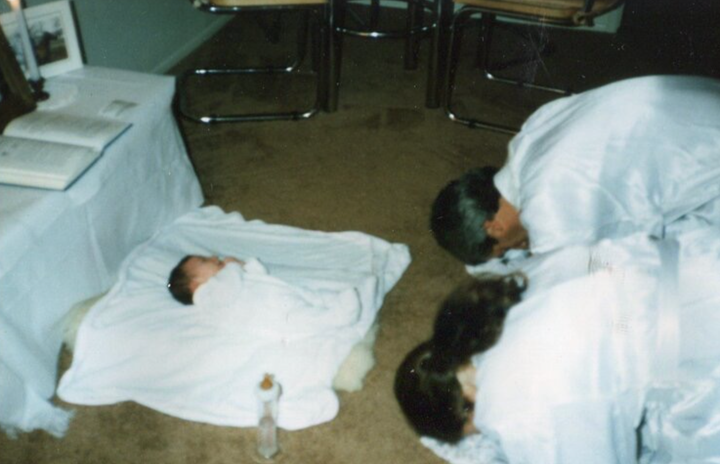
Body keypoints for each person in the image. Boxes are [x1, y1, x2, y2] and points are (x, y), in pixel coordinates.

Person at [396, 229, 720, 463]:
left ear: (464, 406)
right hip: (697, 256)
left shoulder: (515, 407)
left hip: (702, 342)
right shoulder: (497, 304)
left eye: (472, 432)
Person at [431, 75, 720, 264]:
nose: (518, 249)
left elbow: (586, 275)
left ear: (493, 226)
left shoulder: (549, 208)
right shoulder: (526, 142)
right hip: (703, 100)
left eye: (504, 249)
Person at [166, 254, 361, 334]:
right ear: (194, 284)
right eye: (204, 260)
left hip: (277, 293)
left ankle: (333, 298)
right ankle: (339, 317)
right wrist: (233, 267)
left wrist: (245, 266)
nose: (213, 257)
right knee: (303, 319)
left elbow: (259, 275)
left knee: (310, 294)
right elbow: (228, 291)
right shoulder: (207, 297)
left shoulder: (225, 279)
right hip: (270, 313)